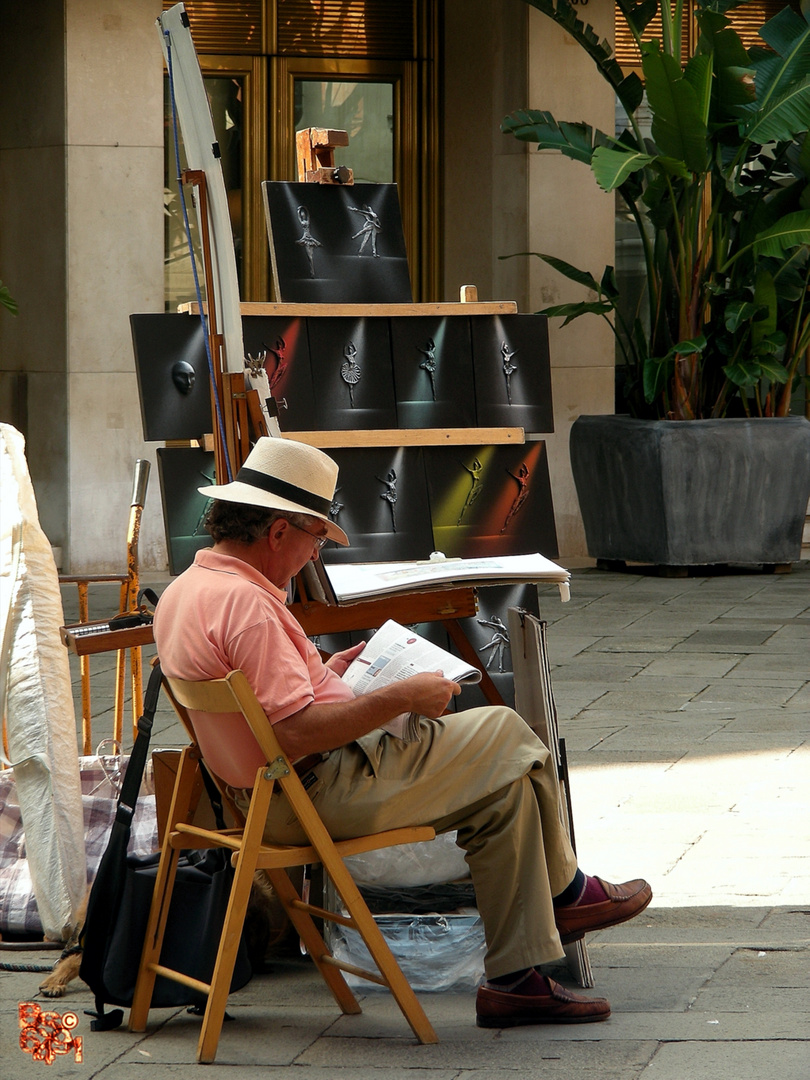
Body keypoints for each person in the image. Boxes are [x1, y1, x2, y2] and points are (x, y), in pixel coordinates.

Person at [154, 438, 652, 1028]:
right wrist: (401, 696)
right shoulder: (250, 606)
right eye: (316, 537)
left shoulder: (188, 589)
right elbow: (295, 733)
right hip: (311, 792)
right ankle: (567, 893)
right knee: (506, 729)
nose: (315, 555)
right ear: (280, 531)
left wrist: (328, 674)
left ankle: (518, 982)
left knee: (506, 794)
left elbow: (265, 710)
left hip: (258, 793)